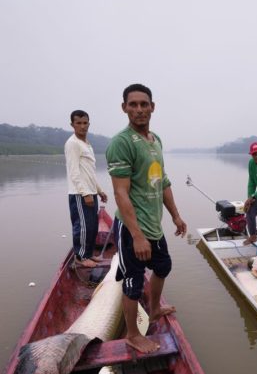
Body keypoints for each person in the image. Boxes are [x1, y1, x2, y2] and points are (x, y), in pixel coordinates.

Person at [106, 83, 187, 354]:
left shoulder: (156, 140)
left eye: (144, 104)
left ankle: (152, 311)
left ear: (153, 107)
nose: (139, 109)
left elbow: (161, 181)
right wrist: (137, 235)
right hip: (132, 229)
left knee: (163, 266)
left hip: (154, 226)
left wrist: (176, 216)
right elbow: (120, 193)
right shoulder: (122, 143)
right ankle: (132, 335)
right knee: (132, 281)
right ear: (124, 108)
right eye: (133, 104)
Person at [65, 110, 108, 268]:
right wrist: (85, 194)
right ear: (72, 125)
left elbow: (89, 173)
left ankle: (89, 254)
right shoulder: (73, 144)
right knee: (83, 227)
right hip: (79, 194)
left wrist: (99, 191)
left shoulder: (87, 144)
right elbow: (74, 173)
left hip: (90, 193)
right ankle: (81, 257)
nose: (83, 126)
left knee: (92, 226)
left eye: (85, 123)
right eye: (79, 123)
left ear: (89, 124)